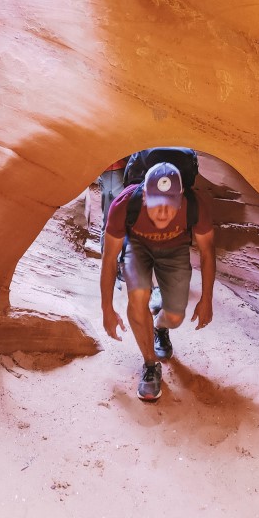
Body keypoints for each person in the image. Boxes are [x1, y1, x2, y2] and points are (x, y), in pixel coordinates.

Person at [100, 161, 216, 401]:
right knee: (138, 295)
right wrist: (106, 308)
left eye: (169, 206)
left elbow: (207, 252)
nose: (163, 213)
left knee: (175, 317)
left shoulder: (194, 206)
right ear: (144, 196)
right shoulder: (123, 205)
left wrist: (207, 299)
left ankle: (160, 327)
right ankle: (150, 365)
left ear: (181, 197)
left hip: (175, 249)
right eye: (156, 206)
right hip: (138, 247)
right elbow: (109, 258)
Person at [98, 158, 128, 251]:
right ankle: (110, 259)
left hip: (107, 170)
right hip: (116, 169)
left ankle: (107, 259)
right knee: (114, 219)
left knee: (108, 219)